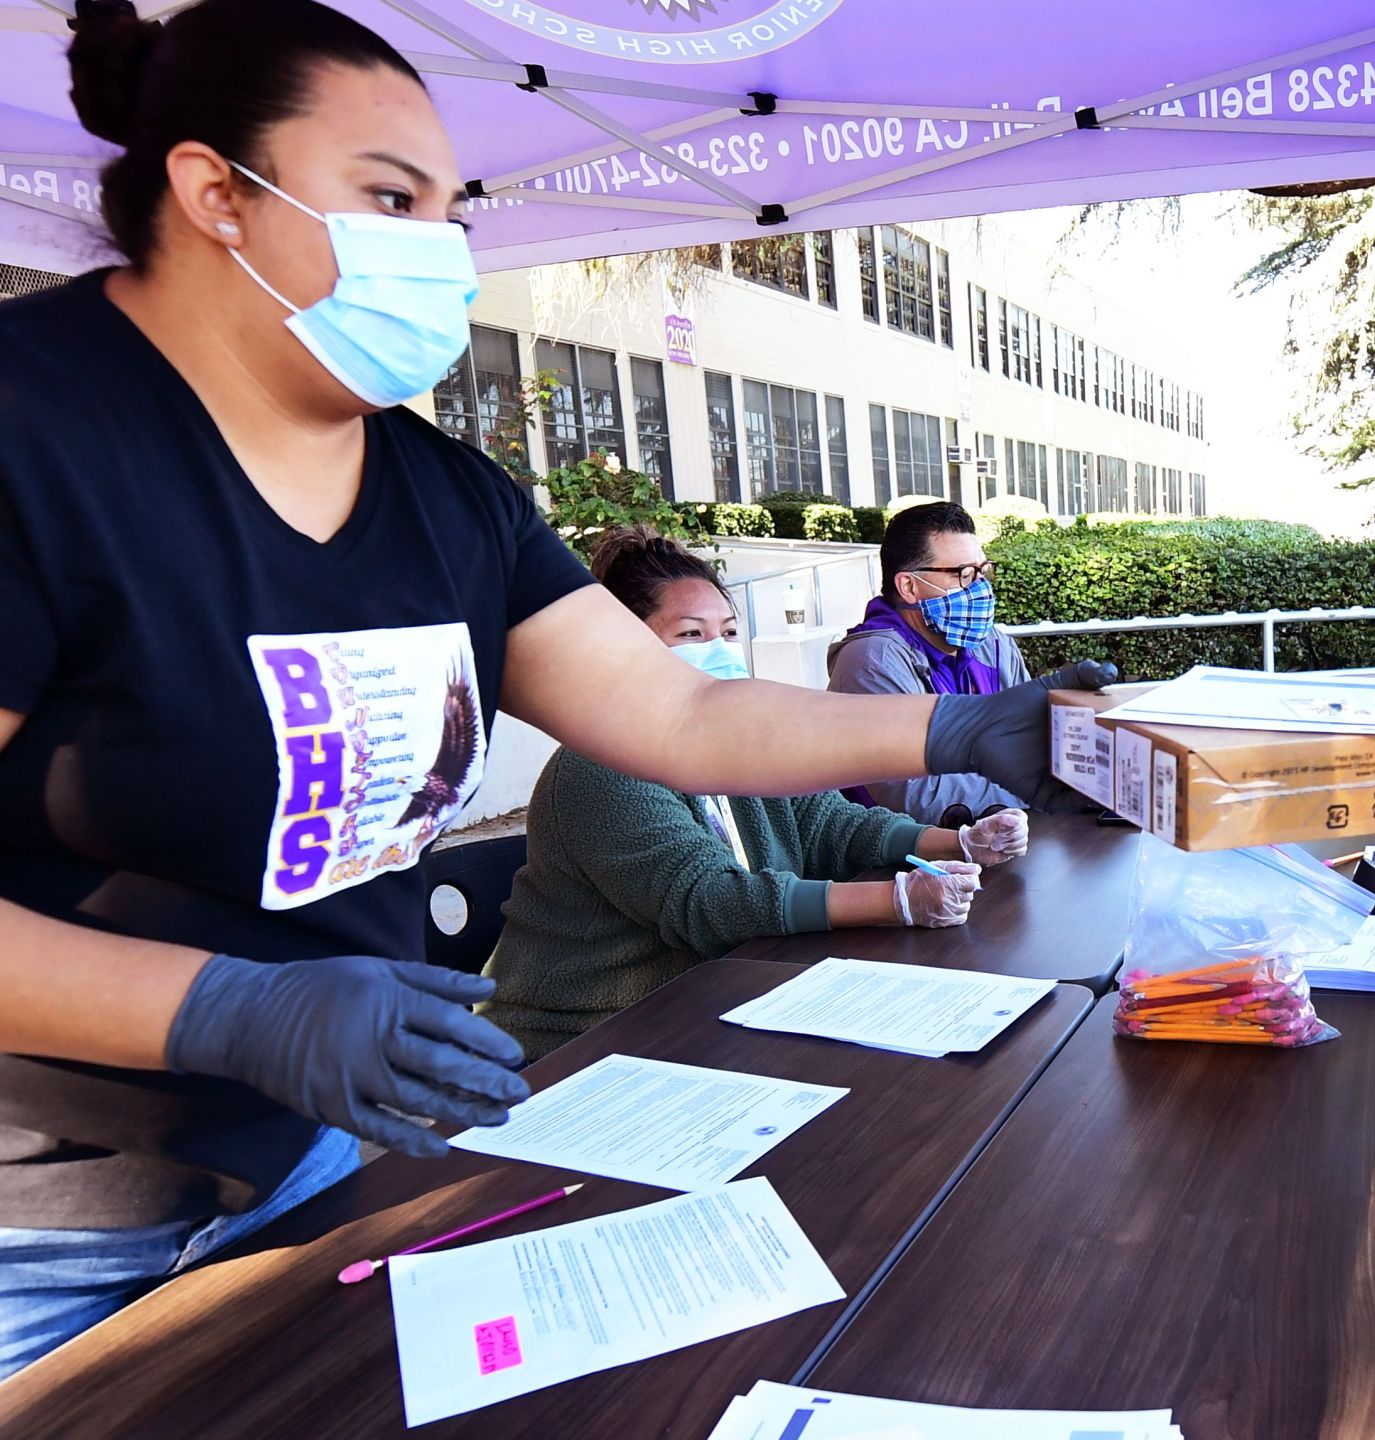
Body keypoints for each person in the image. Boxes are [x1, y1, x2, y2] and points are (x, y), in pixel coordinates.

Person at [0, 0, 1098, 1375]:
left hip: (317, 1163)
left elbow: (679, 713)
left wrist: (954, 726)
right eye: (390, 197)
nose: (439, 251)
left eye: (451, 213)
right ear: (216, 192)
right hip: (35, 1234)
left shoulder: (441, 498)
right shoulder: (36, 438)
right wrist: (226, 1007)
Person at [478, 530, 1031, 1063]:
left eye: (727, 631)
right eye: (691, 635)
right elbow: (709, 902)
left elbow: (827, 822)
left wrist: (957, 842)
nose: (718, 651)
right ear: (626, 651)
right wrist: (899, 902)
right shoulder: (596, 768)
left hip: (711, 1012)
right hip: (577, 1049)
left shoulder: (727, 742)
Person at [828, 502, 1036, 827]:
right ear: (908, 586)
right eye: (964, 574)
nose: (981, 588)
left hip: (1003, 842)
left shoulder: (994, 645)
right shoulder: (872, 660)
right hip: (903, 866)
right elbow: (917, 795)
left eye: (983, 572)